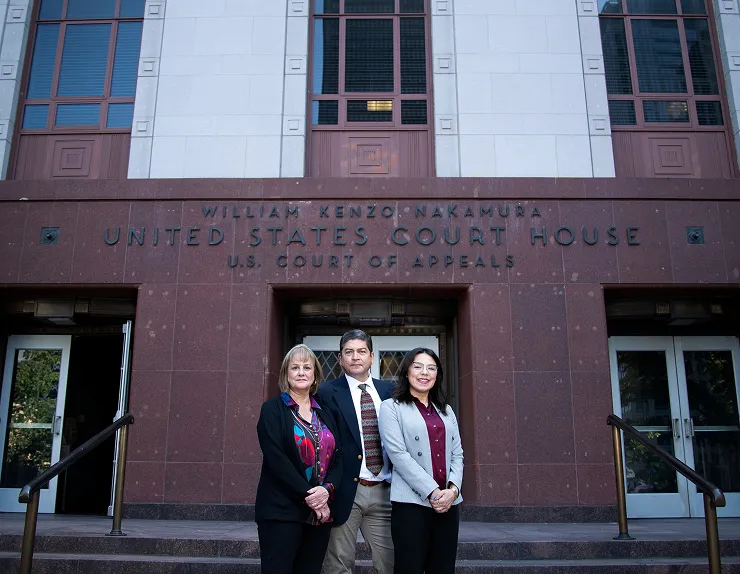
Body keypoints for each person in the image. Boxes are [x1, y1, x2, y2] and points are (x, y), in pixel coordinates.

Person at [255, 344, 343, 574]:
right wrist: (311, 496)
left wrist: (327, 490)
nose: (301, 372)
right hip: (282, 511)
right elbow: (277, 459)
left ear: (315, 375)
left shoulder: (325, 411)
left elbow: (338, 458)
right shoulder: (272, 409)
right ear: (286, 374)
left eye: (307, 367)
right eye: (295, 367)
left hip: (319, 515)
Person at [378, 347, 463, 574]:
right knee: (409, 568)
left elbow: (458, 454)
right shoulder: (391, 408)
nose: (424, 373)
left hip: (448, 504)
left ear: (437, 375)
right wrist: (433, 492)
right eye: (418, 366)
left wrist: (452, 491)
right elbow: (399, 456)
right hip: (411, 506)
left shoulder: (446, 411)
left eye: (431, 368)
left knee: (443, 568)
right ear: (407, 372)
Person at [317, 330, 394, 574]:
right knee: (338, 564)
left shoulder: (390, 392)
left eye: (361, 351)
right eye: (348, 352)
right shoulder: (327, 392)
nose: (355, 357)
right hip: (346, 491)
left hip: (385, 492)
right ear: (340, 358)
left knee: (391, 562)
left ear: (371, 356)